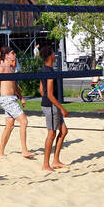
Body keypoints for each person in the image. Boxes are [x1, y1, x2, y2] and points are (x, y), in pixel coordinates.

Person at [0, 48, 33, 158]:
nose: (15, 54)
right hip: (6, 99)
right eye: (12, 53)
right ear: (7, 55)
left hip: (13, 98)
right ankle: (24, 150)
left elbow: (14, 85)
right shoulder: (1, 69)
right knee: (24, 121)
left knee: (9, 126)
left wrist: (21, 97)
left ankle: (0, 151)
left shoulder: (12, 68)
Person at [39, 44, 69, 172]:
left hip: (49, 104)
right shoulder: (49, 72)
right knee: (51, 134)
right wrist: (61, 108)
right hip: (51, 106)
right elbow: (50, 94)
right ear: (51, 56)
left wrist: (47, 98)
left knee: (64, 131)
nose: (54, 55)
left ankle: (56, 160)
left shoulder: (44, 70)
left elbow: (41, 90)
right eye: (53, 53)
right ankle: (46, 164)